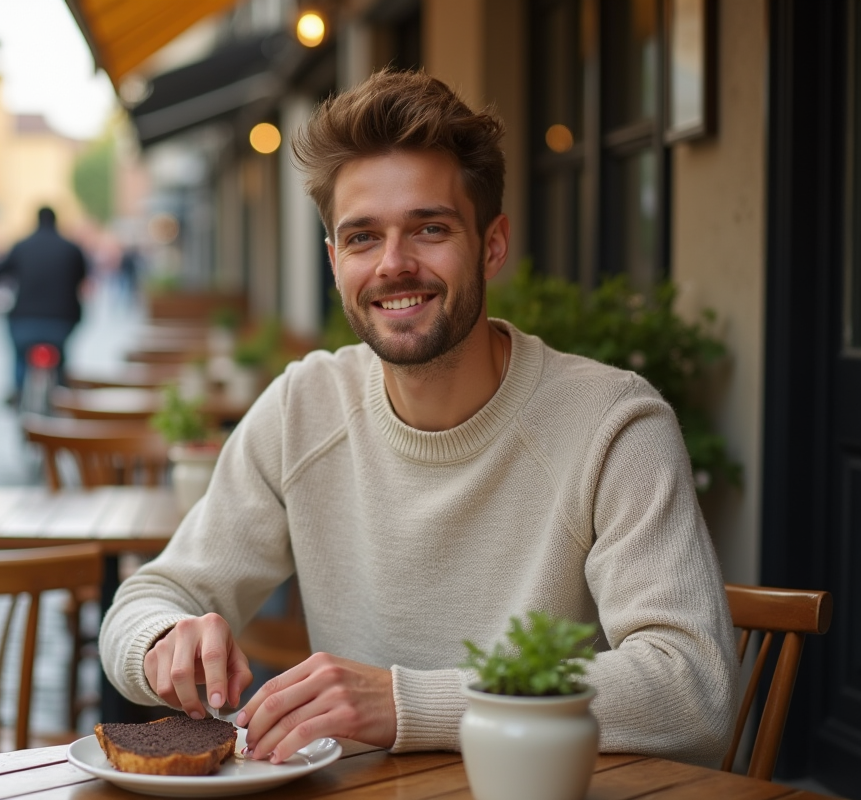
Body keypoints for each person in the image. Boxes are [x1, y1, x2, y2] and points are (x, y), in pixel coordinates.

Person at [99, 69, 738, 767]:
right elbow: (151, 597)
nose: (394, 265)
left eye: (429, 228)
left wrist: (409, 705)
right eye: (362, 238)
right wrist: (165, 640)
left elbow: (692, 687)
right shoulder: (303, 407)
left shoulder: (613, 425)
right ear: (334, 259)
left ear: (491, 245)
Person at [0, 206, 88, 404]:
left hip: (24, 319)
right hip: (62, 320)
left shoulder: (21, 246)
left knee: (20, 356)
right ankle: (60, 381)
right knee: (61, 353)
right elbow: (82, 279)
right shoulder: (71, 248)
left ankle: (18, 388)